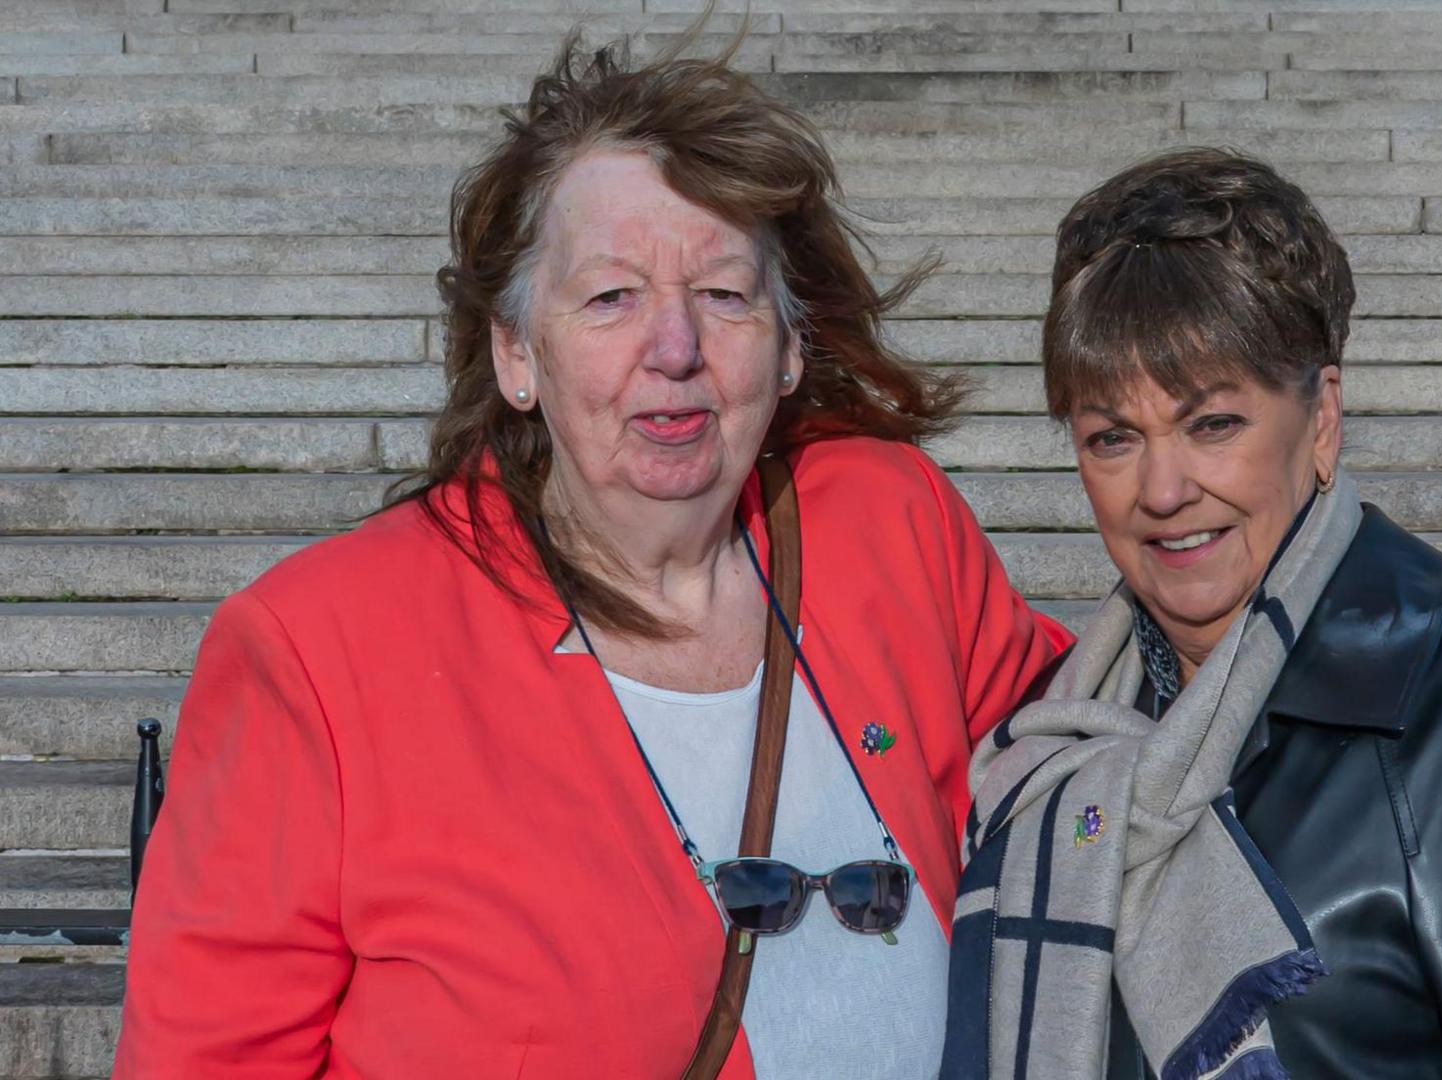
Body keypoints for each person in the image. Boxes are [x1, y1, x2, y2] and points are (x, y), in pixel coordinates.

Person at [116, 32, 1069, 1079]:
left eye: (724, 295)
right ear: (518, 352)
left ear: (791, 344)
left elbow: (1079, 775)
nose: (674, 348)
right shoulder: (318, 649)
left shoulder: (891, 524)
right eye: (611, 297)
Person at [942, 149, 1442, 1079]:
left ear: (1321, 418)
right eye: (1113, 437)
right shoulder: (1061, 742)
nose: (1161, 490)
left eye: (1212, 424)